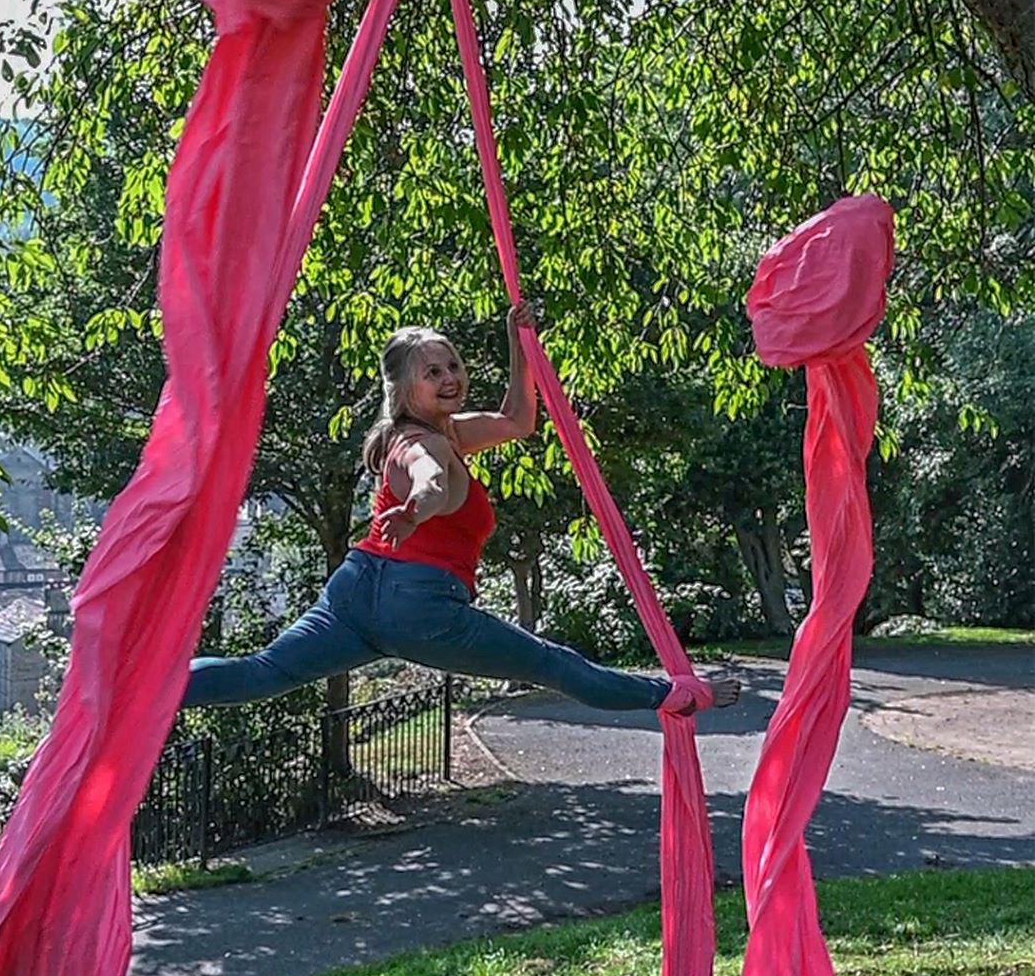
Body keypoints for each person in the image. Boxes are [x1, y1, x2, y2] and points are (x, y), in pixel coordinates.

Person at [183, 304, 741, 715]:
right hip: (418, 604)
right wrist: (415, 509)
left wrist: (520, 345)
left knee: (264, 671)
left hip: (355, 592)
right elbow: (427, 478)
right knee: (548, 663)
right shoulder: (417, 443)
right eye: (433, 373)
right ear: (404, 387)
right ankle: (673, 697)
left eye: (453, 366)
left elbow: (519, 421)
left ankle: (145, 690)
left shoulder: (442, 430)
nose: (451, 379)